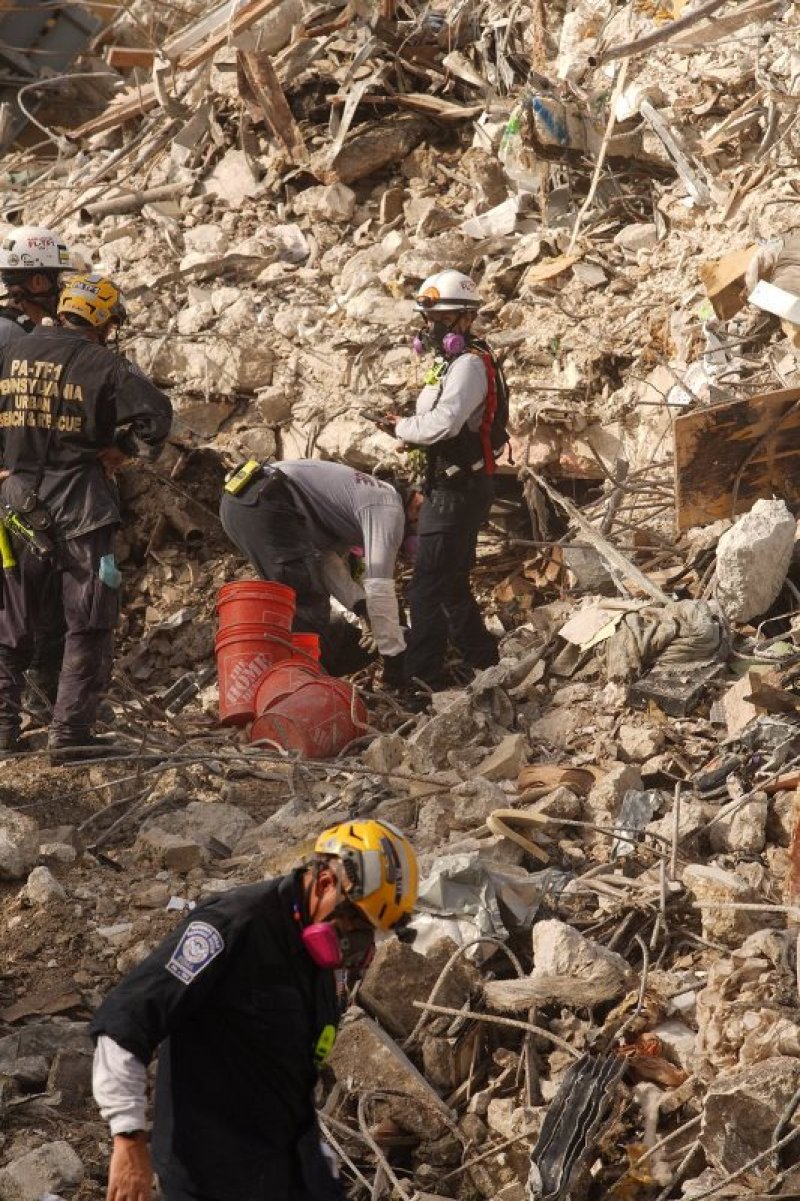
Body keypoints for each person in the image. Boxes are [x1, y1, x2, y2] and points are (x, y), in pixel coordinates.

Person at [90, 819, 419, 1201]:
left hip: (291, 1170)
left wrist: (318, 1162)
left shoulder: (322, 967)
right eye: (357, 923)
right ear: (327, 883)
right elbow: (126, 1022)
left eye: (371, 933)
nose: (361, 944)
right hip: (212, 1176)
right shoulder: (233, 926)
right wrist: (129, 1139)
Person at [0, 272, 173, 760]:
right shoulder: (106, 364)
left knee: (12, 620)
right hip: (79, 506)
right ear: (101, 320)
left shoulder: (13, 350)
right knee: (89, 620)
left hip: (15, 503)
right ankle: (70, 734)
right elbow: (157, 417)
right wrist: (120, 449)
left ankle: (3, 730)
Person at [382, 270, 508, 692]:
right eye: (428, 317)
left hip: (459, 491)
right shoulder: (449, 363)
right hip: (448, 485)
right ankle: (482, 657)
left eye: (442, 318)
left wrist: (406, 429)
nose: (432, 327)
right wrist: (407, 430)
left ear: (466, 320)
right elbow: (433, 423)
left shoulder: (470, 364)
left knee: (425, 587)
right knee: (452, 581)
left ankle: (423, 679)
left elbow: (447, 423)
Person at [220, 459, 420, 682]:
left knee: (293, 596)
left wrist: (362, 607)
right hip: (265, 501)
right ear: (414, 507)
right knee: (303, 597)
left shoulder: (348, 507)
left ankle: (311, 674)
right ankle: (307, 683)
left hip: (240, 504)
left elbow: (326, 562)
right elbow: (380, 587)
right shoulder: (388, 509)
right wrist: (394, 658)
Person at [0, 225, 77, 711]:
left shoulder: (25, 333)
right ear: (34, 284)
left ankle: (33, 704)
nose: (59, 290)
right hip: (13, 487)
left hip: (27, 483)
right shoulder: (8, 335)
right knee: (20, 605)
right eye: (54, 280)